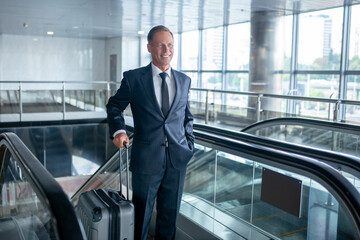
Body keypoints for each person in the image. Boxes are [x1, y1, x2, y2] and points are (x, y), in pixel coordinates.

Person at [106, 25, 194, 240]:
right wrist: (119, 131)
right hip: (146, 159)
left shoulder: (184, 80)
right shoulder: (134, 78)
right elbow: (114, 105)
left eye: (170, 45)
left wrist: (188, 144)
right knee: (141, 217)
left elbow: (186, 116)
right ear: (149, 47)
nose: (167, 49)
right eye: (161, 44)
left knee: (169, 217)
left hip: (177, 159)